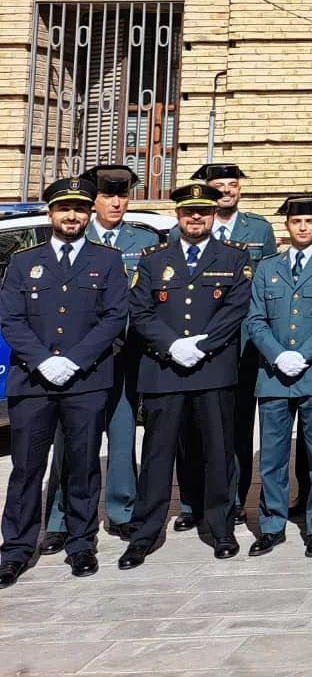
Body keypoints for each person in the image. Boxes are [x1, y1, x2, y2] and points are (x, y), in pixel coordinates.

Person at [0, 176, 128, 585]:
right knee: (26, 469)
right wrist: (42, 361)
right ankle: (16, 549)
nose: (71, 215)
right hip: (33, 382)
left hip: (85, 381)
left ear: (89, 214)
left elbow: (114, 317)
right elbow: (11, 318)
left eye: (79, 208)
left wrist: (74, 360)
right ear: (50, 213)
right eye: (63, 208)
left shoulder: (106, 260)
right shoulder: (24, 262)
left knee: (83, 466)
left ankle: (80, 543)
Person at [119, 182, 254, 568]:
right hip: (164, 370)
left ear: (213, 215)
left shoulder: (233, 257)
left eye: (204, 212)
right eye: (189, 212)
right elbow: (140, 310)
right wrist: (172, 345)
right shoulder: (151, 258)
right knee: (158, 456)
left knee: (218, 453)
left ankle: (221, 527)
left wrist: (202, 345)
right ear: (177, 216)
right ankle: (144, 534)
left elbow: (235, 308)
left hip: (213, 370)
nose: (197, 217)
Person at [39, 164, 155, 552]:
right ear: (93, 202)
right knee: (69, 442)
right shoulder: (71, 236)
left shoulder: (145, 239)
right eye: (108, 196)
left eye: (123, 195)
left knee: (123, 439)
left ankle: (122, 512)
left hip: (124, 355)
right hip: (74, 360)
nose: (117, 202)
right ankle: (59, 518)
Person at [244, 195, 312, 559]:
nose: (302, 228)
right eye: (295, 222)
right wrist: (278, 355)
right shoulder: (267, 267)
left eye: (309, 222)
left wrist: (302, 355)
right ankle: (272, 524)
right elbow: (255, 319)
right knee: (272, 456)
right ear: (286, 226)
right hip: (274, 375)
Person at [190, 162, 279, 522]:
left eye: (233, 185)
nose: (228, 191)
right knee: (195, 425)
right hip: (200, 342)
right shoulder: (195, 228)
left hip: (244, 343)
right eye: (221, 186)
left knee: (240, 425)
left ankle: (238, 498)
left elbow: (271, 283)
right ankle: (191, 502)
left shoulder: (258, 228)